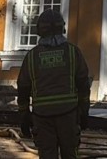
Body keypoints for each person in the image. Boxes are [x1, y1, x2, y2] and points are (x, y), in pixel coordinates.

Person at [18, 9, 91, 159]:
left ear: (39, 30)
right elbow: (83, 84)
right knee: (70, 154)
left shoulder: (32, 57)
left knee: (47, 155)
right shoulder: (73, 52)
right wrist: (84, 111)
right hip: (68, 115)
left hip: (42, 117)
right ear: (62, 28)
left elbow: (23, 89)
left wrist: (24, 117)